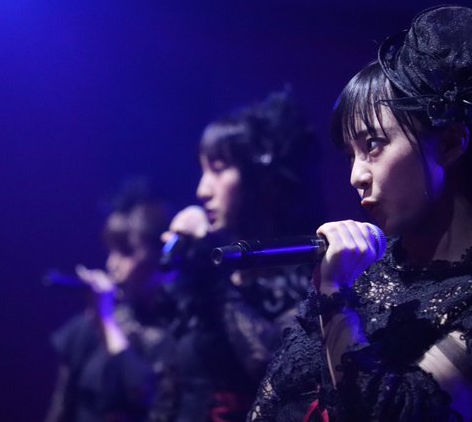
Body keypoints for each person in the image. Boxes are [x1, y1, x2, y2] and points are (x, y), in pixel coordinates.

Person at [248, 5, 472, 421]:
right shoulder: (361, 272)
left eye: (373, 145)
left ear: (449, 144)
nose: (356, 176)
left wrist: (335, 295)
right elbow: (270, 403)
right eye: (350, 154)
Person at [152, 90, 325, 422]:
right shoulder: (205, 276)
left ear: (257, 178)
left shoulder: (305, 273)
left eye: (218, 169)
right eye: (203, 170)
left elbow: (268, 365)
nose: (202, 190)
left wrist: (210, 274)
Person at [45, 179, 175, 422]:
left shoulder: (176, 332)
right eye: (111, 250)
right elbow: (60, 409)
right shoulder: (86, 329)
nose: (111, 264)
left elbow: (144, 394)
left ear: (160, 257)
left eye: (126, 252)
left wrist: (107, 323)